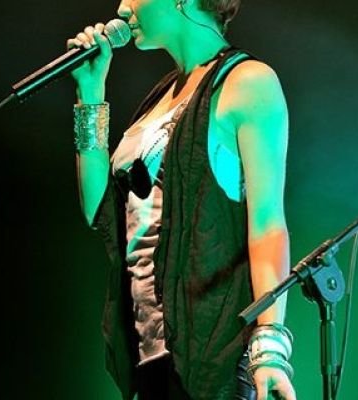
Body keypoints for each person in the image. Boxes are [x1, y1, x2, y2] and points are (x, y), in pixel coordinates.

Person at [67, 0, 296, 399]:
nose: (122, 8)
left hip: (213, 356)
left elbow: (267, 224)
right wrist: (90, 93)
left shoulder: (247, 82)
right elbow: (99, 211)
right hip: (151, 354)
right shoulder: (159, 98)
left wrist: (270, 348)